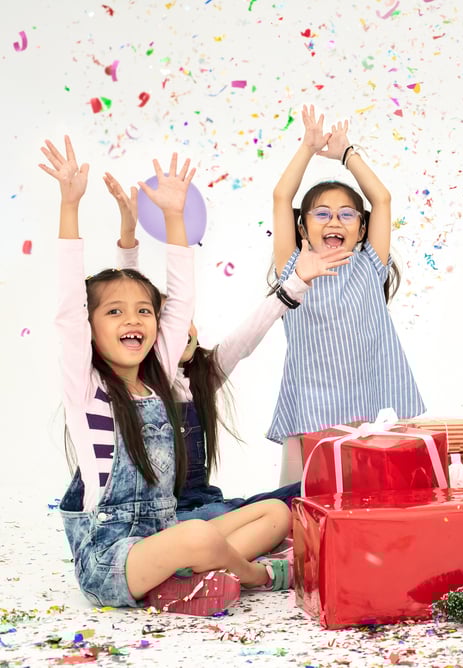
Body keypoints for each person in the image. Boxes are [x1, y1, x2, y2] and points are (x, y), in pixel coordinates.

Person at [46, 136, 292, 616]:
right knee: (199, 534)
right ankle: (258, 575)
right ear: (90, 329)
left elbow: (179, 304)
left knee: (276, 513)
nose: (132, 320)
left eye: (142, 311)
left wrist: (176, 220)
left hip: (165, 535)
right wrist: (70, 205)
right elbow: (67, 308)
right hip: (111, 559)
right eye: (114, 312)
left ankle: (186, 578)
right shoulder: (89, 391)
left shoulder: (160, 376)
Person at [103, 172, 351, 521]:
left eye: (181, 319)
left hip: (209, 505)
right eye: (166, 324)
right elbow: (128, 300)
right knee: (221, 523)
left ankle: (242, 535)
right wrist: (128, 236)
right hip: (164, 516)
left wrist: (296, 282)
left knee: (312, 492)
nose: (179, 331)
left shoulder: (204, 374)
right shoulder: (143, 380)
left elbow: (250, 333)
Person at [268, 106, 425, 485]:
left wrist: (346, 154)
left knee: (374, 500)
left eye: (346, 215)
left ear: (361, 227)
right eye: (321, 214)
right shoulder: (293, 268)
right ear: (303, 228)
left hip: (371, 408)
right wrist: (307, 148)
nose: (335, 221)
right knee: (306, 505)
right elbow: (280, 196)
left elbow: (382, 198)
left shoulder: (369, 266)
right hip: (312, 411)